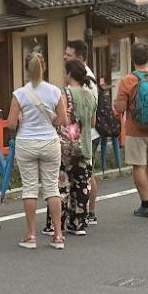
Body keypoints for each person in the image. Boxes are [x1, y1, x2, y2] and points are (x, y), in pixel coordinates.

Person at [7, 50, 71, 248]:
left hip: (26, 141)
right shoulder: (54, 91)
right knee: (52, 188)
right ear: (43, 67)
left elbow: (10, 124)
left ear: (27, 70)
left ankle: (31, 236)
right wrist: (52, 119)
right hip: (49, 142)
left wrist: (19, 119)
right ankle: (58, 235)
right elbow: (63, 120)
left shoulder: (19, 94)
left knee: (29, 188)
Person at [115, 40, 148, 217]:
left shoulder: (128, 80)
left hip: (135, 129)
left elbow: (121, 108)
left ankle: (145, 204)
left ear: (133, 59)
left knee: (138, 165)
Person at [62, 56, 99, 232]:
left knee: (63, 185)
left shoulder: (66, 93)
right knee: (82, 185)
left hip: (68, 145)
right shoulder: (90, 95)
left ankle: (56, 224)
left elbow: (64, 119)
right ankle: (79, 223)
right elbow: (92, 123)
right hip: (86, 144)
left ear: (69, 74)